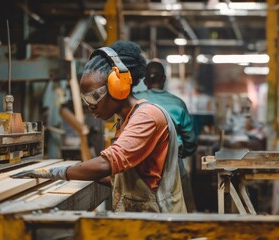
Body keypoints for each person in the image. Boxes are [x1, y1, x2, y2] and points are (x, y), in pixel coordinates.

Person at [12, 41, 187, 213]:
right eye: (86, 99)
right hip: (144, 220)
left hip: (162, 223)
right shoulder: (127, 120)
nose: (91, 105)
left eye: (94, 96)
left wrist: (53, 172)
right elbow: (123, 175)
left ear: (118, 87)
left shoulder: (146, 116)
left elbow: (108, 163)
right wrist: (80, 174)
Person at [134, 61, 197, 212]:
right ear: (163, 79)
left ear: (145, 81)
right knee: (180, 208)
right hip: (172, 163)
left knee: (141, 209)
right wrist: (180, 154)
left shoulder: (134, 101)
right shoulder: (178, 104)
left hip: (139, 165)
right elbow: (190, 141)